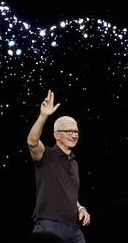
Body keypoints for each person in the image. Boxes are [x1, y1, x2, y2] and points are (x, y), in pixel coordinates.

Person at [26, 90, 90, 243]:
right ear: (56, 135)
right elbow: (32, 141)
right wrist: (43, 116)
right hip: (49, 226)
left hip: (74, 230)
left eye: (76, 132)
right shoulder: (46, 155)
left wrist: (80, 208)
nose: (74, 135)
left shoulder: (74, 162)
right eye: (68, 131)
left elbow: (67, 192)